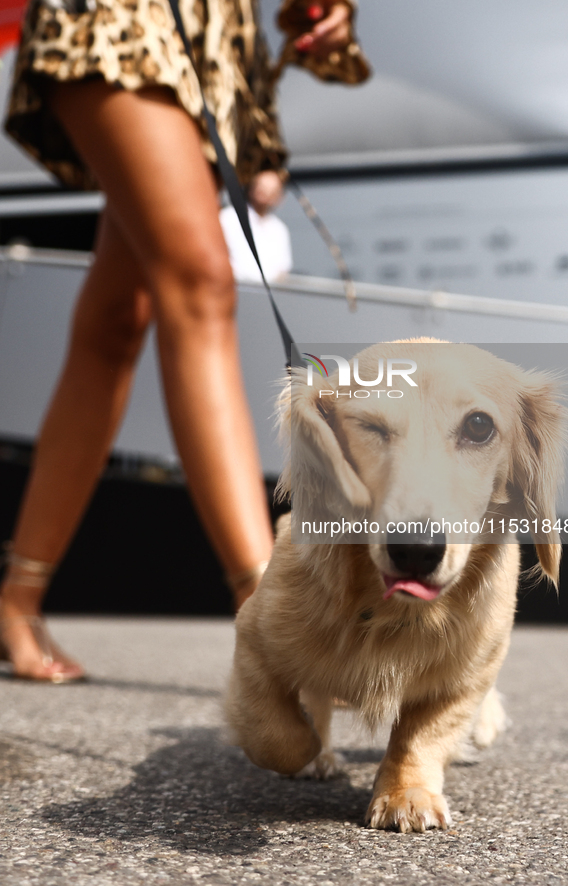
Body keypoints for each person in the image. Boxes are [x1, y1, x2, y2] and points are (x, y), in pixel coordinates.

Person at [0, 0, 359, 681]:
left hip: (207, 32)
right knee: (199, 280)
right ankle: (268, 606)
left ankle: (16, 600)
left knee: (117, 319)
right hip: (115, 13)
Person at [220, 169, 293, 283]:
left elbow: (282, 271)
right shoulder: (228, 218)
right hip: (235, 289)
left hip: (269, 293)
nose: (267, 194)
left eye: (273, 191)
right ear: (251, 189)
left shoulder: (279, 229)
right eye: (262, 189)